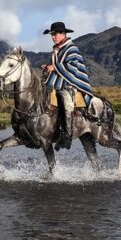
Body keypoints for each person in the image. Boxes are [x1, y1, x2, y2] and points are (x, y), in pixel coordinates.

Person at [41, 21, 94, 150]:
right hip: (59, 83)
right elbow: (57, 68)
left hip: (71, 84)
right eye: (51, 35)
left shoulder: (71, 48)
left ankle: (67, 136)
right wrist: (48, 68)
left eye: (54, 34)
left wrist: (54, 67)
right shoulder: (57, 50)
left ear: (63, 34)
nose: (52, 37)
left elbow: (73, 68)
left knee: (66, 100)